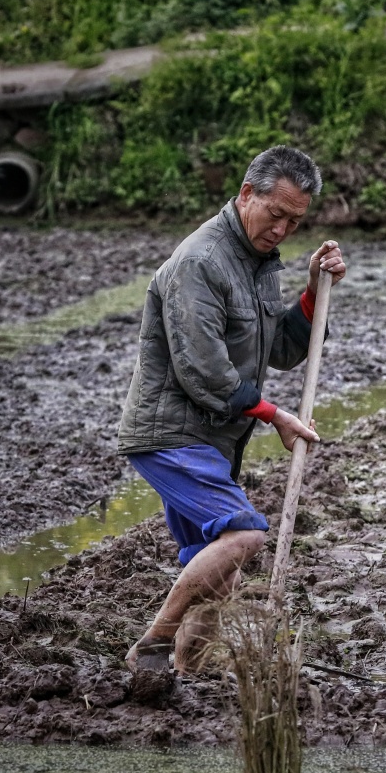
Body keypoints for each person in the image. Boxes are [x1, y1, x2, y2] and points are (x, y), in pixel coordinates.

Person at [117, 145, 346, 674]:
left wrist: (314, 292)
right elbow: (205, 373)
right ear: (247, 194)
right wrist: (274, 416)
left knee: (222, 576)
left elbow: (283, 351)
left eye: (295, 220)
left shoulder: (258, 263)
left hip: (213, 438)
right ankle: (152, 644)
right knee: (245, 533)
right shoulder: (200, 262)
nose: (283, 230)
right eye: (276, 214)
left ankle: (184, 676)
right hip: (173, 432)